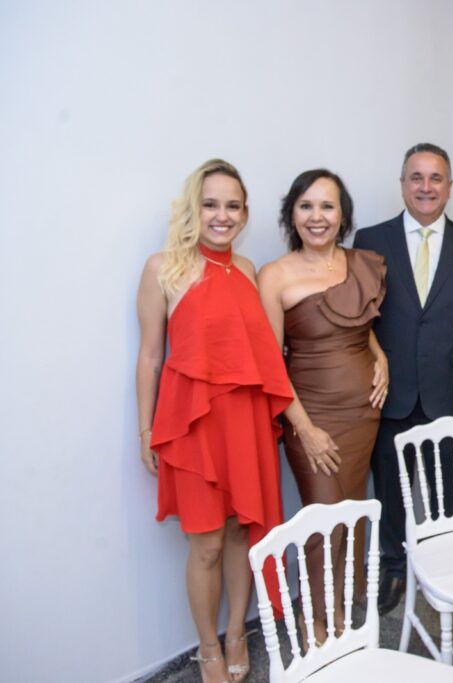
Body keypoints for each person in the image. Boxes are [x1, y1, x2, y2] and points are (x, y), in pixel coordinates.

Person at [136, 159, 292, 683]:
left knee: (240, 533)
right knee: (204, 544)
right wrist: (145, 430)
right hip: (194, 427)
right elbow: (150, 357)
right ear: (192, 208)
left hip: (244, 421)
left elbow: (262, 351)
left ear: (244, 214)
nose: (221, 216)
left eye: (232, 206)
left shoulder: (246, 269)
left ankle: (236, 632)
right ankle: (208, 648)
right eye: (210, 204)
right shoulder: (162, 269)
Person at [353, 142, 453, 613]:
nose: (426, 187)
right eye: (416, 177)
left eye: (436, 178)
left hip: (449, 393)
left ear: (450, 187)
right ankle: (394, 569)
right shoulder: (370, 241)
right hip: (388, 394)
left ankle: (445, 570)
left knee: (446, 495)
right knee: (390, 492)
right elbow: (360, 320)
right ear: (402, 184)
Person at [257, 169, 388, 645]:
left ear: (343, 215)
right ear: (292, 213)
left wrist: (380, 356)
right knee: (322, 520)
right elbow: (271, 365)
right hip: (311, 416)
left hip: (364, 414)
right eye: (307, 206)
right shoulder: (274, 275)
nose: (318, 216)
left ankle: (340, 606)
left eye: (327, 206)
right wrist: (306, 430)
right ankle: (318, 621)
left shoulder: (359, 264)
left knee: (351, 514)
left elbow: (357, 324)